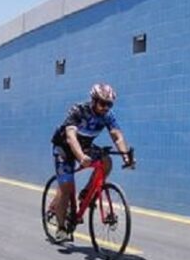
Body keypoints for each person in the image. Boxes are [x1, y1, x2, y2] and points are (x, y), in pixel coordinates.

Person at [49, 83, 134, 242]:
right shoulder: (79, 111)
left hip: (85, 147)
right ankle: (61, 228)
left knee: (106, 161)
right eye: (102, 103)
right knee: (66, 188)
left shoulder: (108, 116)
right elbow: (71, 136)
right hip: (64, 147)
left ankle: (86, 193)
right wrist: (81, 157)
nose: (105, 108)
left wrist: (125, 155)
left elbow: (117, 136)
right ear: (93, 100)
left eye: (109, 104)